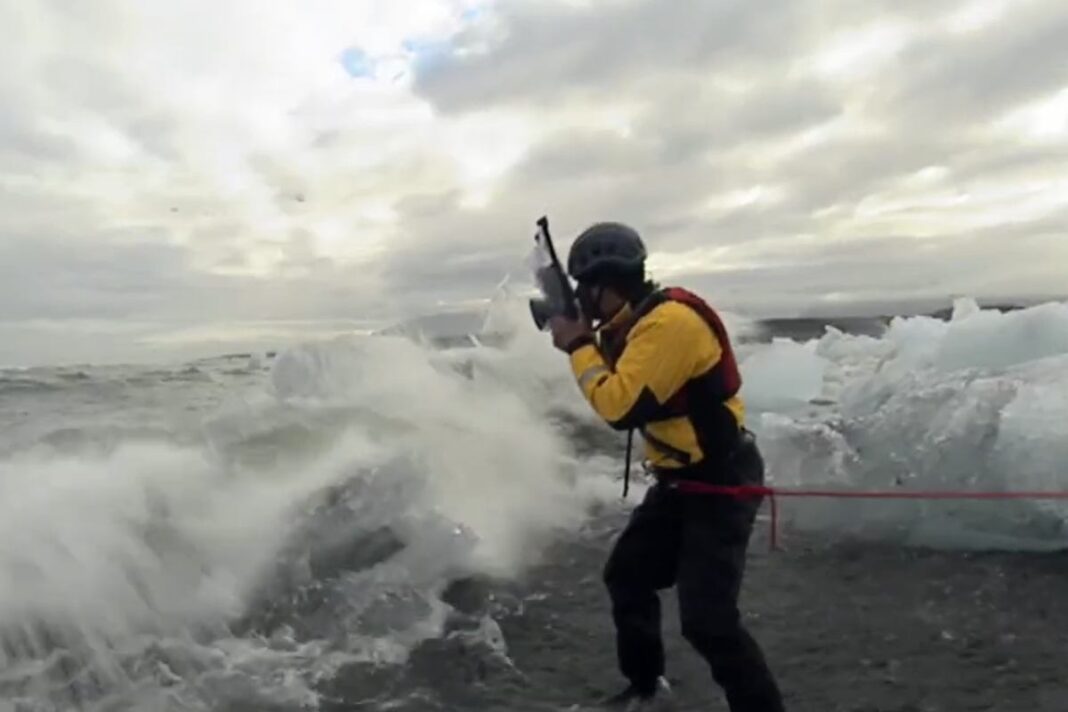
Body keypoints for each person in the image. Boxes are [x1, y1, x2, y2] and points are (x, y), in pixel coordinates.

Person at [546, 222, 786, 712]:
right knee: (628, 576)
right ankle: (647, 688)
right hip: (679, 483)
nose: (583, 302)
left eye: (585, 291)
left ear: (607, 285)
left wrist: (577, 346)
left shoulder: (668, 325)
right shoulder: (629, 326)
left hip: (720, 481)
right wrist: (583, 336)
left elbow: (619, 407)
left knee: (708, 622)